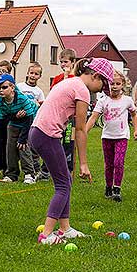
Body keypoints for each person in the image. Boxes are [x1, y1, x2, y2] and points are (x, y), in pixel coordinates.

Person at [29, 57, 114, 245]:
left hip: (38, 132)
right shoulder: (82, 90)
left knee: (65, 179)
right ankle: (47, 234)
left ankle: (64, 228)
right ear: (95, 75)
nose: (101, 90)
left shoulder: (71, 82)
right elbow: (81, 129)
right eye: (102, 85)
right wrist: (83, 163)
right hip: (46, 135)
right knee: (63, 185)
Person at [86, 71, 137, 202]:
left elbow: (134, 114)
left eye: (118, 84)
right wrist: (84, 131)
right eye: (112, 83)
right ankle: (108, 187)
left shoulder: (127, 101)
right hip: (107, 136)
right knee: (109, 164)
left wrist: (136, 130)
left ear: (123, 85)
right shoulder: (103, 101)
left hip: (122, 136)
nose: (114, 86)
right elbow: (94, 117)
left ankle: (117, 188)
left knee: (119, 162)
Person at [0, 74, 38, 184]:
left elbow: (29, 118)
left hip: (29, 123)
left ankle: (29, 174)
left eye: (4, 87)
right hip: (13, 123)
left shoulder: (22, 99)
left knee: (23, 147)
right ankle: (12, 174)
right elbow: (5, 117)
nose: (1, 90)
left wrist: (23, 138)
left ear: (12, 88)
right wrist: (15, 116)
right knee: (10, 148)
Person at [51, 48, 77, 178]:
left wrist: (68, 77)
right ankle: (53, 170)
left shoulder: (76, 79)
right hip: (57, 117)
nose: (63, 65)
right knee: (54, 143)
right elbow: (53, 95)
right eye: (61, 62)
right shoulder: (57, 79)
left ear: (73, 62)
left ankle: (68, 171)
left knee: (68, 144)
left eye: (66, 62)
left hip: (70, 117)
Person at [16, 62, 46, 179]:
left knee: (32, 146)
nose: (33, 76)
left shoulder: (39, 91)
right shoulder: (20, 87)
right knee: (18, 145)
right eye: (31, 73)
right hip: (18, 120)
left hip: (32, 122)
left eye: (36, 74)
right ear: (27, 74)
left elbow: (41, 107)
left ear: (39, 76)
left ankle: (36, 169)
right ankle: (19, 169)